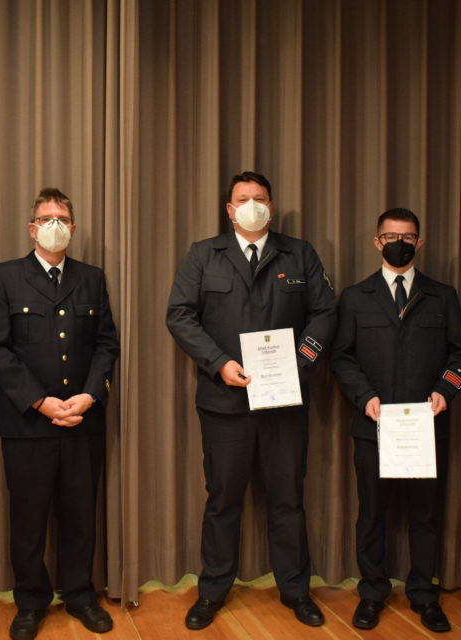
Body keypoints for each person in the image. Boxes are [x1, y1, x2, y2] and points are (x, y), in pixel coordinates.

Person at [166, 171, 337, 630]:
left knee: (288, 499)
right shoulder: (204, 254)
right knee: (223, 501)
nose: (252, 205)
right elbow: (179, 315)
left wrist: (299, 362)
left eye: (259, 198)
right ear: (229, 209)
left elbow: (325, 312)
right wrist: (218, 362)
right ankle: (212, 591)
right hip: (224, 402)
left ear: (271, 206)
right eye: (242, 199)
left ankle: (296, 591)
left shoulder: (299, 253)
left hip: (285, 401)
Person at [0, 187, 119, 640]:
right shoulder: (4, 276)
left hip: (82, 420)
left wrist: (90, 396)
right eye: (46, 218)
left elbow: (106, 345)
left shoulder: (91, 278)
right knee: (28, 521)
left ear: (73, 228)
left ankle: (80, 595)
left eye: (62, 218)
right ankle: (30, 602)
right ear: (32, 228)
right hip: (26, 423)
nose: (54, 225)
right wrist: (40, 402)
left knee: (80, 516)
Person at [330, 208, 461, 633]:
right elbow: (341, 357)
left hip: (424, 430)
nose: (400, 243)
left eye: (408, 237)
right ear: (377, 242)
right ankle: (372, 593)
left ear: (419, 243)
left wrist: (445, 391)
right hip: (372, 427)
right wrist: (365, 397)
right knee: (372, 514)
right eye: (391, 236)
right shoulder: (355, 297)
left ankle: (424, 595)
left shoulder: (442, 295)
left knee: (425, 516)